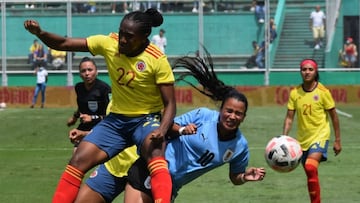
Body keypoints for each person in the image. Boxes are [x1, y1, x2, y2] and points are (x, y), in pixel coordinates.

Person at [24, 8, 176, 203]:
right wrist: (40, 33)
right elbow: (64, 43)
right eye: (121, 33)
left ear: (144, 36)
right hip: (116, 122)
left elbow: (170, 104)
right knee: (78, 159)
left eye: (129, 37)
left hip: (145, 121)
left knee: (155, 149)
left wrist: (162, 129)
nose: (122, 40)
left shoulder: (157, 60)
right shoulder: (109, 43)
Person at [282, 59, 341, 203]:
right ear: (300, 72)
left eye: (310, 69)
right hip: (302, 141)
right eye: (304, 69)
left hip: (320, 136)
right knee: (310, 174)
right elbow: (289, 118)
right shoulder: (295, 93)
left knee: (309, 166)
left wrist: (337, 140)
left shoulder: (323, 92)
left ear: (315, 72)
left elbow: (334, 117)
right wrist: (284, 137)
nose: (307, 72)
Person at [67, 57, 111, 153]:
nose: (87, 73)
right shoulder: (79, 88)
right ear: (80, 74)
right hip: (84, 126)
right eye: (83, 71)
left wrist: (92, 118)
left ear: (96, 72)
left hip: (101, 126)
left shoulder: (104, 89)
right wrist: (75, 117)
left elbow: (111, 116)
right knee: (76, 154)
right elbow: (82, 107)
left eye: (90, 70)